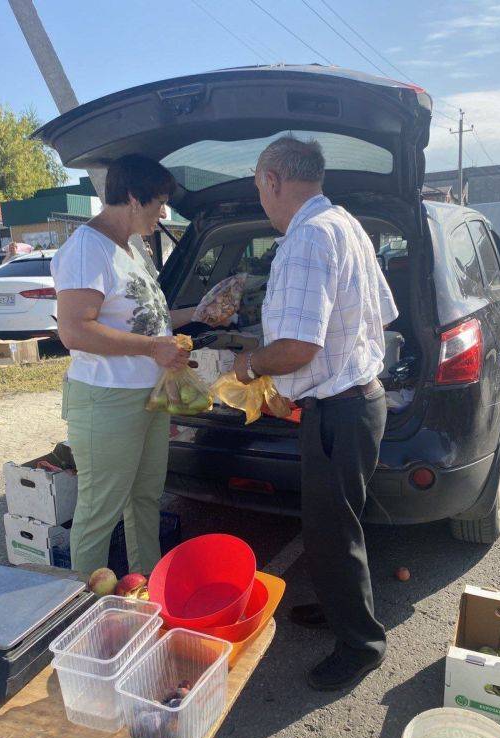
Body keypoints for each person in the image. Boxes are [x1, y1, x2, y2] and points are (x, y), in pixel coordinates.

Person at [233, 136, 398, 691]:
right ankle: (340, 608)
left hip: (339, 409)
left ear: (274, 180)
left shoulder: (306, 240)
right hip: (358, 400)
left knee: (331, 531)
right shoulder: (344, 224)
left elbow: (299, 346)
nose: (261, 200)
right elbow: (385, 313)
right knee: (339, 524)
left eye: (259, 188)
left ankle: (360, 645)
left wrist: (251, 363)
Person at [51, 154, 200, 576]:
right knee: (101, 510)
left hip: (146, 398)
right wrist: (154, 348)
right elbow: (76, 331)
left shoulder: (130, 250)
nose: (164, 212)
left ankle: (147, 590)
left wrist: (198, 312)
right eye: (160, 202)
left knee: (145, 498)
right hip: (106, 399)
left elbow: (152, 320)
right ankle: (83, 610)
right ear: (134, 198)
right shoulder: (86, 248)